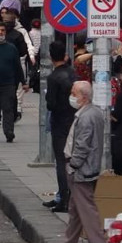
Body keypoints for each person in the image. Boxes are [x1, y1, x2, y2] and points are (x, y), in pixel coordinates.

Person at [50, 81, 107, 243]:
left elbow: (82, 145)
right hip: (86, 167)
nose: (71, 96)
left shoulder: (86, 117)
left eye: (74, 93)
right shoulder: (93, 113)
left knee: (86, 210)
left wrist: (73, 165)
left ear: (83, 96)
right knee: (75, 210)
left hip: (81, 170)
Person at [44, 41, 77, 213]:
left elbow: (50, 104)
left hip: (60, 122)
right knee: (72, 161)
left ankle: (64, 199)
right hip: (74, 120)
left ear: (51, 57)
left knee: (61, 162)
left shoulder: (53, 77)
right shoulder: (72, 73)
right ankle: (68, 196)